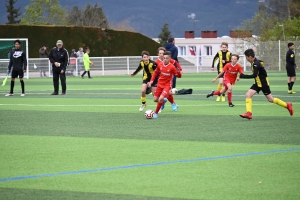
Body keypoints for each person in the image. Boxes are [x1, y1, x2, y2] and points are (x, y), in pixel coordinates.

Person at [239, 49, 294, 120]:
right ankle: (249, 113)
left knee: (271, 99)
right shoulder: (254, 62)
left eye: (246, 57)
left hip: (263, 84)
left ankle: (287, 105)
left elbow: (254, 75)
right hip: (257, 83)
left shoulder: (256, 64)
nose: (246, 59)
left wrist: (243, 76)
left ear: (250, 57)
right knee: (248, 95)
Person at [148, 51, 182, 118]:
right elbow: (155, 73)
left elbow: (178, 76)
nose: (165, 59)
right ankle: (165, 100)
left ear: (170, 59)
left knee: (160, 98)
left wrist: (179, 72)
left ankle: (156, 113)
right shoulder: (160, 65)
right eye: (164, 58)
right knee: (155, 99)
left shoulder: (172, 67)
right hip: (159, 85)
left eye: (166, 58)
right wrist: (151, 81)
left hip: (167, 85)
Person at [155, 47, 182, 112]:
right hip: (159, 81)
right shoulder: (156, 61)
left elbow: (179, 68)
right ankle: (166, 102)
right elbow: (155, 71)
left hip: (168, 81)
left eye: (162, 53)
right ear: (158, 54)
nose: (161, 54)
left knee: (164, 95)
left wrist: (179, 71)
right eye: (160, 53)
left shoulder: (171, 61)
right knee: (156, 98)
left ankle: (170, 104)